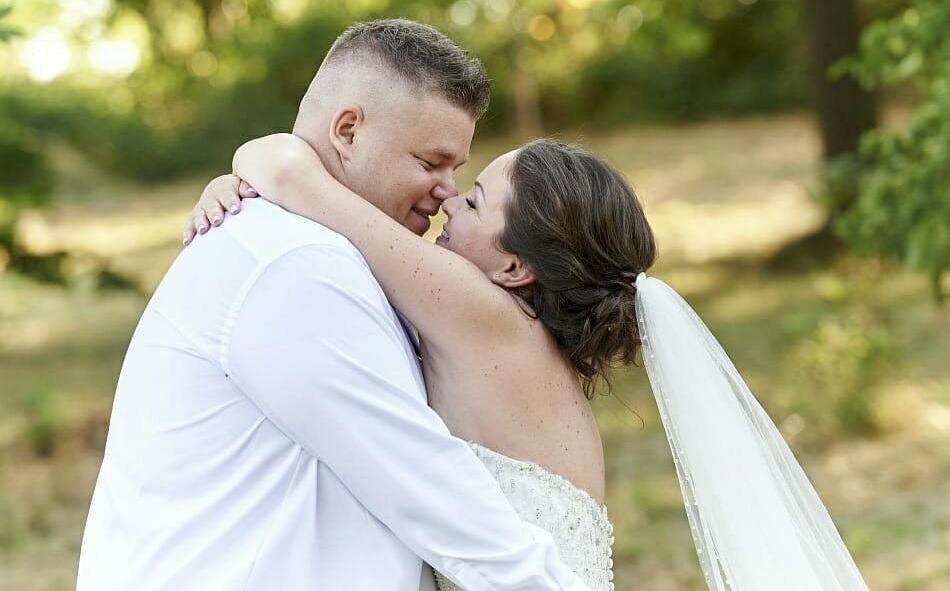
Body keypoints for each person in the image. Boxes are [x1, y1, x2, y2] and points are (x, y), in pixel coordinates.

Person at [186, 132, 871, 590]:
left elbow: (286, 171)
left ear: (514, 265)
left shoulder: (476, 310)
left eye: (476, 199)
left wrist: (237, 173)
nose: (450, 199)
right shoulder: (522, 341)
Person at [78, 20, 592, 591]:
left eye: (458, 172)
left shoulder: (342, 255)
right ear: (347, 130)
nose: (447, 193)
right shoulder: (295, 264)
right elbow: (421, 484)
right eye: (430, 163)